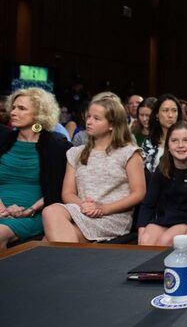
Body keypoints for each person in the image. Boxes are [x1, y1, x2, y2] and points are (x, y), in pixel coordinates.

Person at [42, 94, 145, 242]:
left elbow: (139, 193)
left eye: (96, 118)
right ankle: (72, 265)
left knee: (48, 238)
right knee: (51, 216)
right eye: (88, 116)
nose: (89, 122)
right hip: (81, 211)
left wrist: (103, 208)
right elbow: (68, 193)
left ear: (112, 125)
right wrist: (84, 206)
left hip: (112, 217)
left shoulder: (129, 153)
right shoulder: (76, 153)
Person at [0, 88, 71, 248]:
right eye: (13, 107)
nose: (13, 112)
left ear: (39, 114)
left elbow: (58, 189)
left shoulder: (56, 145)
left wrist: (30, 210)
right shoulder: (3, 139)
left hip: (33, 213)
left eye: (22, 108)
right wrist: (1, 208)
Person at [136, 121, 187, 245]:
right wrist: (141, 235)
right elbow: (148, 204)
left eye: (186, 140)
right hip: (167, 218)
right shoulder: (163, 167)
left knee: (166, 240)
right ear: (168, 145)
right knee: (146, 240)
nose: (180, 145)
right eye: (174, 141)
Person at [141, 94, 180, 173]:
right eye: (165, 110)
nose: (170, 115)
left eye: (174, 110)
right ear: (157, 115)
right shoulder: (148, 143)